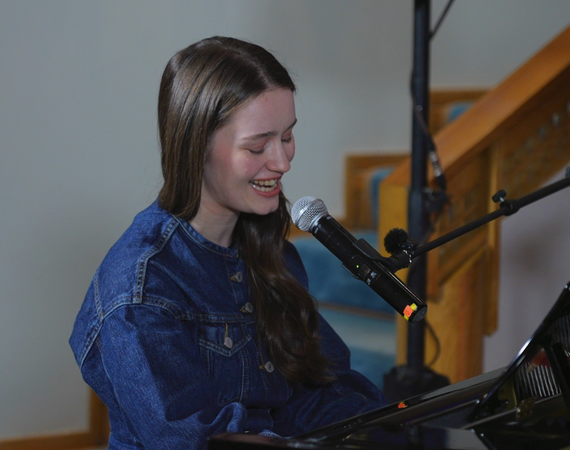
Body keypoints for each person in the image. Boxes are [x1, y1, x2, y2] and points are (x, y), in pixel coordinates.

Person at [69, 36, 386, 450]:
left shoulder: (269, 249)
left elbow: (319, 390)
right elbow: (197, 440)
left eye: (287, 136)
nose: (282, 161)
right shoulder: (140, 291)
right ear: (195, 146)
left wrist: (384, 431)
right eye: (258, 146)